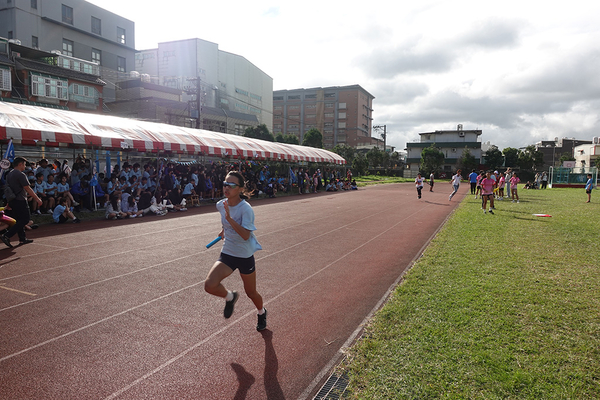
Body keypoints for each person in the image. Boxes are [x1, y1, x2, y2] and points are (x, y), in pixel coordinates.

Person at [204, 171, 267, 331]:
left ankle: (261, 312)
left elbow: (246, 235)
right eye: (225, 184)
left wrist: (230, 219)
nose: (227, 187)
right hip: (228, 253)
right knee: (210, 285)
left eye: (231, 185)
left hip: (244, 256)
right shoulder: (220, 205)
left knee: (251, 292)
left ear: (239, 189)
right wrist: (224, 229)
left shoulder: (246, 209)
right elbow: (226, 223)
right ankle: (230, 297)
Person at [1, 157, 42, 248]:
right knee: (25, 219)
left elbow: (8, 189)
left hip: (12, 200)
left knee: (19, 220)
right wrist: (37, 199)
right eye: (24, 164)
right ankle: (7, 235)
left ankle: (22, 238)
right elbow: (27, 188)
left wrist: (8, 202)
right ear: (20, 164)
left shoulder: (9, 174)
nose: (24, 166)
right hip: (20, 199)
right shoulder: (20, 175)